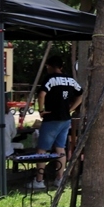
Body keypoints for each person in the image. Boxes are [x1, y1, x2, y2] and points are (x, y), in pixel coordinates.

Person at [29, 55, 82, 190]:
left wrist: (41, 110)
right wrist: (71, 108)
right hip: (65, 119)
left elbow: (41, 94)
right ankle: (60, 179)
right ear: (62, 67)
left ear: (50, 66)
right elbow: (81, 94)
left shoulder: (50, 79)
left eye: (47, 66)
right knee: (60, 148)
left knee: (42, 149)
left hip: (51, 118)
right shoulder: (70, 79)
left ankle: (39, 180)